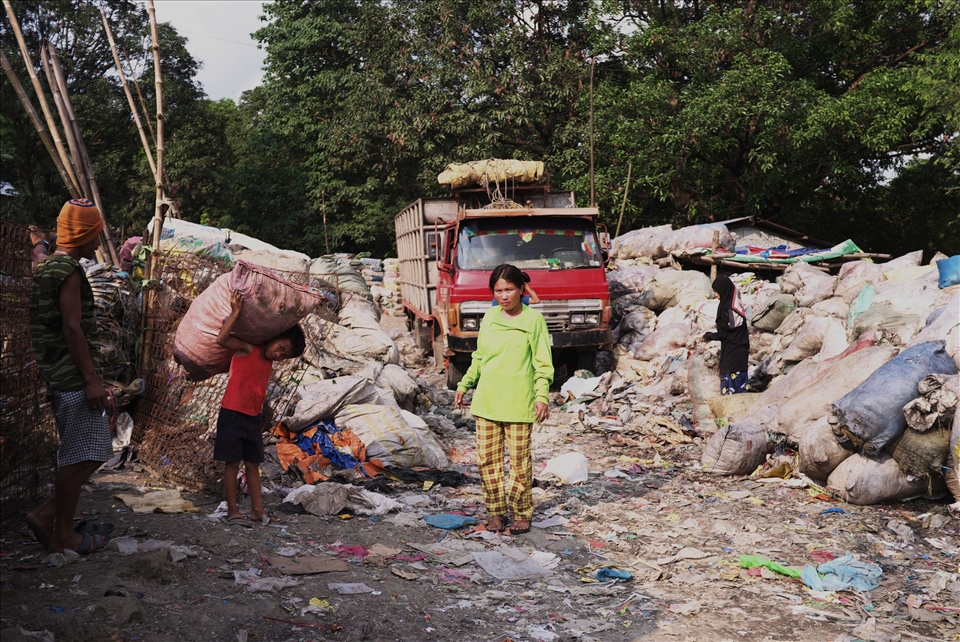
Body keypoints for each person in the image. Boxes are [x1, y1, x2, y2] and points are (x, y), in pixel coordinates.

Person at [26, 199, 113, 554]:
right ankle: (58, 531)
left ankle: (50, 518)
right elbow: (72, 328)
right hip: (72, 375)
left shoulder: (47, 267)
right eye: (94, 235)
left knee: (87, 451)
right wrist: (92, 379)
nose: (97, 243)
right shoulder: (69, 272)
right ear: (84, 234)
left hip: (58, 373)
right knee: (84, 455)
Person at [455, 264, 553, 535]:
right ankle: (496, 514)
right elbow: (479, 357)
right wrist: (465, 384)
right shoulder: (489, 317)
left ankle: (521, 514)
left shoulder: (533, 320)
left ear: (522, 289)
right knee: (488, 462)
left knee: (520, 463)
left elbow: (543, 364)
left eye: (509, 289)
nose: (504, 295)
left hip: (520, 403)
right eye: (498, 290)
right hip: (487, 402)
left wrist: (541, 396)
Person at [215, 290, 305, 525]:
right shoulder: (248, 349)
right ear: (275, 336)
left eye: (284, 355)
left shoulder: (268, 362)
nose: (279, 354)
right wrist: (235, 313)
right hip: (232, 414)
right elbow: (221, 339)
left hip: (253, 418)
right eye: (281, 347)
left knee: (253, 464)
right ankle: (233, 511)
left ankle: (257, 510)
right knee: (232, 464)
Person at [703, 274, 750, 395]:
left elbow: (723, 334)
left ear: (723, 290)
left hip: (731, 354)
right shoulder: (736, 307)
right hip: (741, 352)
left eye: (716, 291)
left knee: (730, 391)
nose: (716, 294)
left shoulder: (726, 308)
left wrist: (708, 336)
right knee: (741, 390)